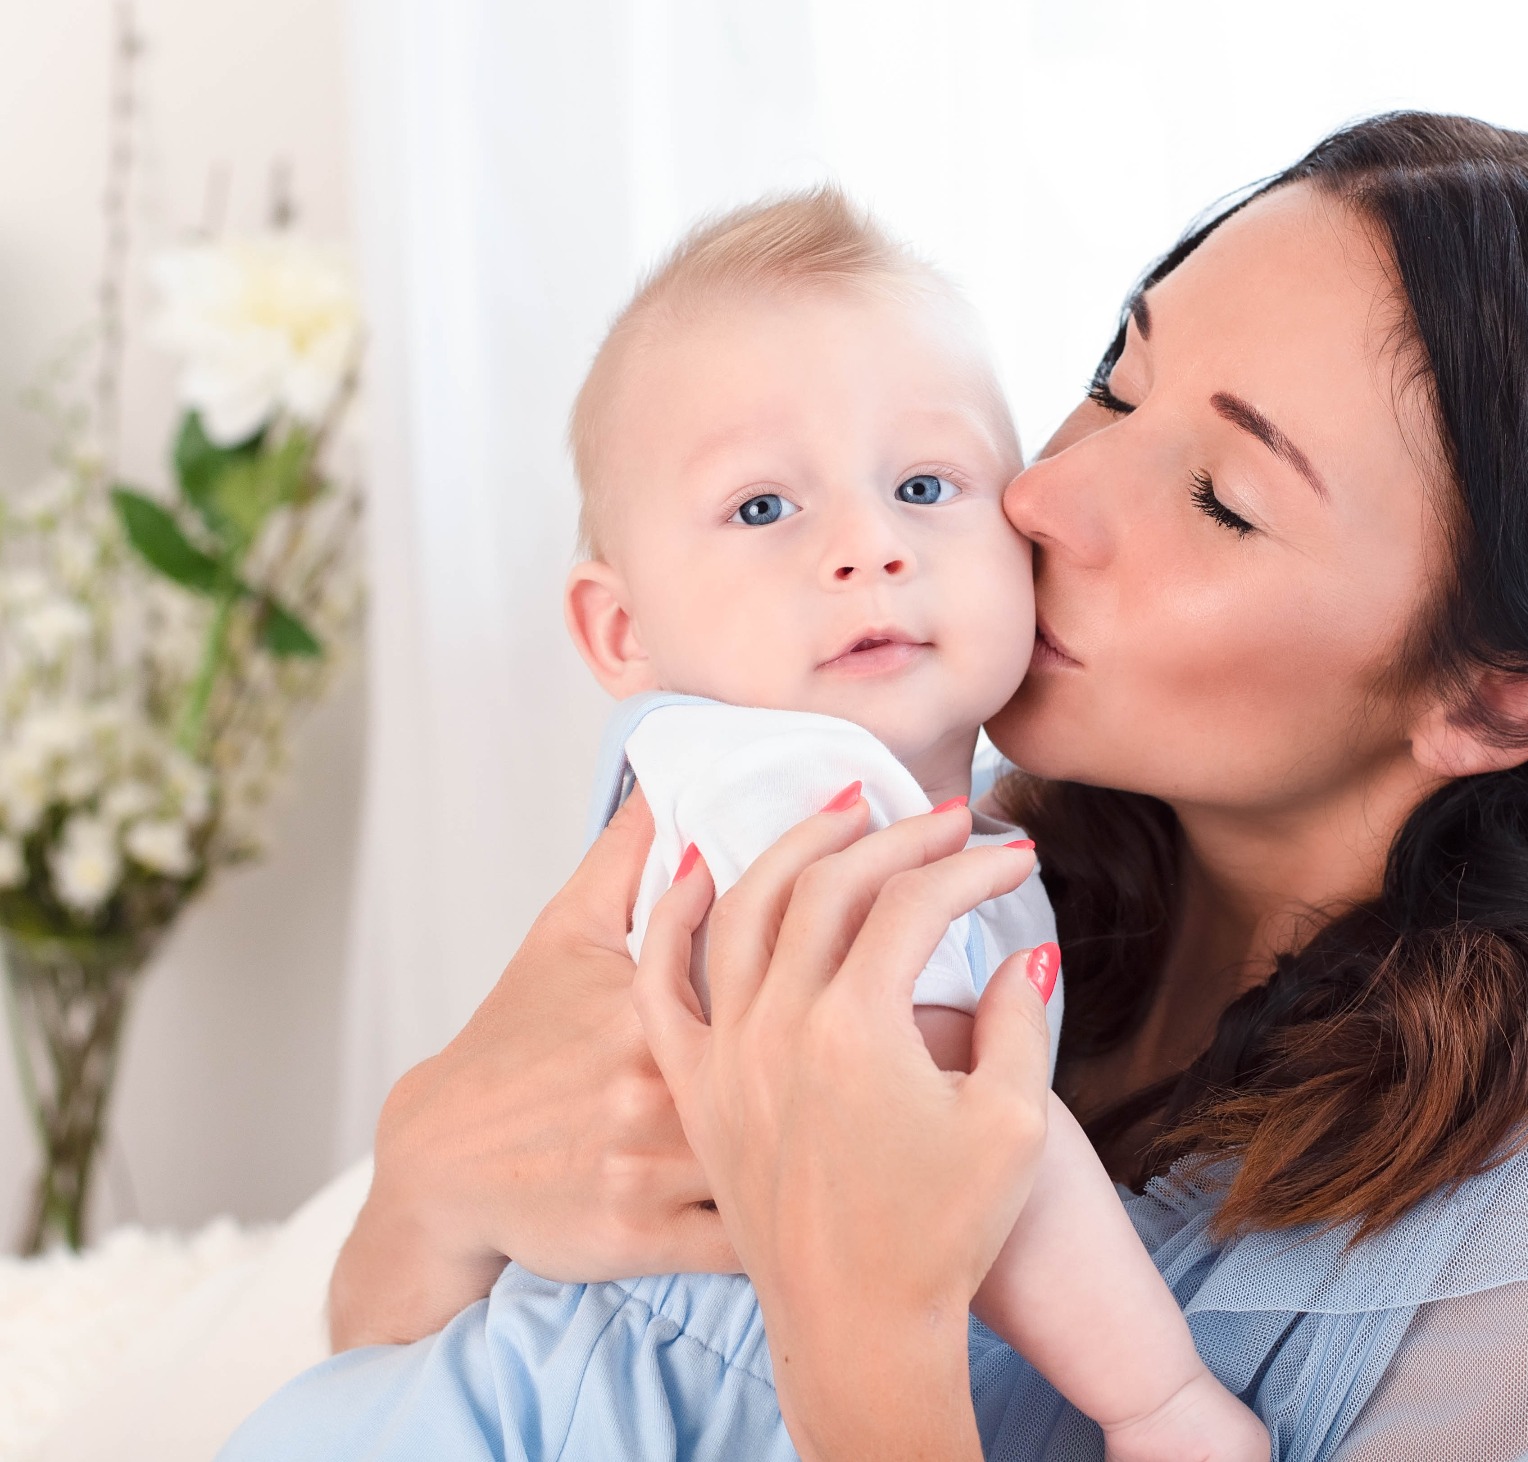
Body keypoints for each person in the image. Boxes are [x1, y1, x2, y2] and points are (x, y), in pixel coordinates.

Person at [316, 112, 1528, 1460]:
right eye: (1116, 380)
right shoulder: (884, 857)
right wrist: (430, 1168)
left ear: (1494, 692)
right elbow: (408, 1371)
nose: (1040, 495)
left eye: (1223, 498)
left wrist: (870, 1341)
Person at [222, 194, 1268, 1459]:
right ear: (623, 632)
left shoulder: (861, 806)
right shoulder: (787, 781)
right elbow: (946, 1142)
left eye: (924, 484)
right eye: (763, 509)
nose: (869, 546)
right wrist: (1152, 1393)